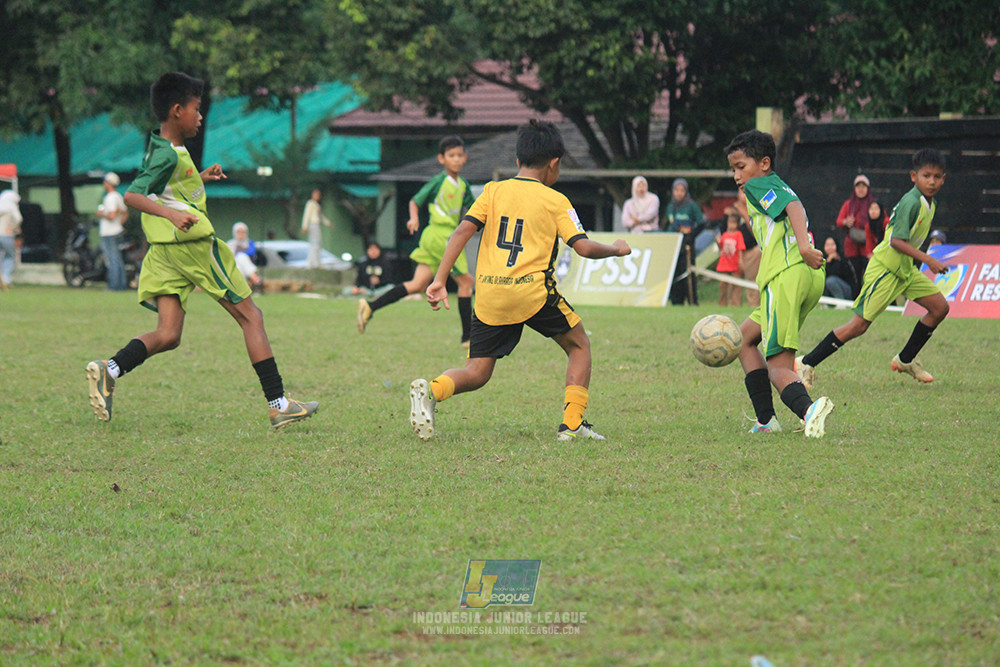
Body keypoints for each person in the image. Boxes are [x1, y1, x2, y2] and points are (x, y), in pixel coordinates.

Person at [85, 71, 318, 429]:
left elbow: (169, 183)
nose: (201, 116)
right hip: (192, 247)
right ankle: (279, 404)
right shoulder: (167, 155)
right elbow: (134, 195)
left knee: (168, 334)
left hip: (163, 254)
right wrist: (172, 214)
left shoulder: (168, 149)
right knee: (251, 317)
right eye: (196, 108)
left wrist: (200, 177)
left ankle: (109, 369)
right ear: (177, 110)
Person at [408, 120, 631, 441]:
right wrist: (615, 248)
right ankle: (571, 425)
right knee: (579, 345)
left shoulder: (492, 190)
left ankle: (431, 390)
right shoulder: (556, 200)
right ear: (554, 164)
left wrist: (440, 279)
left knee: (477, 372)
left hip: (490, 295)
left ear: (517, 161)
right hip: (532, 293)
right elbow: (582, 247)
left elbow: (462, 231)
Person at [797, 149, 950, 387]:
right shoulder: (911, 202)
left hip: (905, 270)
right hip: (886, 270)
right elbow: (895, 241)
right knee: (859, 326)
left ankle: (905, 359)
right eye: (926, 175)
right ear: (913, 176)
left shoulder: (930, 203)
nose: (931, 181)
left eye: (937, 176)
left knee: (940, 308)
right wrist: (928, 259)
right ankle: (806, 362)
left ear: (944, 179)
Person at [725, 129, 833, 438]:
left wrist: (802, 246)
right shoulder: (771, 184)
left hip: (785, 276)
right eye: (733, 169)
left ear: (764, 163)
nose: (736, 175)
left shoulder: (758, 185)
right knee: (743, 339)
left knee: (778, 367)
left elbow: (792, 207)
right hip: (805, 275)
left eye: (740, 166)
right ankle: (766, 420)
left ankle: (809, 410)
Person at [357, 135, 476, 346]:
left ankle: (370, 306)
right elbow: (415, 200)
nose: (456, 159)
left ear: (465, 158)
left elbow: (475, 209)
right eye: (451, 156)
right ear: (441, 159)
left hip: (439, 237)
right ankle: (468, 338)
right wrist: (413, 218)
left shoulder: (464, 185)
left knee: (418, 284)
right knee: (466, 282)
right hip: (442, 237)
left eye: (459, 155)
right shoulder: (439, 181)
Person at [665, 178, 704, 305]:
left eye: (682, 190)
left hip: (686, 245)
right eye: (676, 190)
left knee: (687, 272)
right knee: (674, 273)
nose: (679, 193)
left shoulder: (692, 206)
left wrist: (691, 236)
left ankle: (692, 301)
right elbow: (668, 224)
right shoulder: (671, 207)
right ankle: (676, 301)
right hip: (673, 245)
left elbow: (701, 223)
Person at [836, 174, 875, 281]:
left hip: (868, 248)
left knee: (867, 275)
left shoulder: (873, 204)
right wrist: (846, 221)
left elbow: (883, 221)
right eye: (858, 187)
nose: (861, 189)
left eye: (863, 187)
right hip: (851, 247)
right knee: (854, 277)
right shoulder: (849, 204)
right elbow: (839, 221)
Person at [97, 172, 129, 291]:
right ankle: (122, 284)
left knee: (112, 259)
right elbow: (125, 212)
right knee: (118, 259)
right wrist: (119, 225)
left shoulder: (110, 197)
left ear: (108, 183)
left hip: (109, 233)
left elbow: (111, 215)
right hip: (116, 231)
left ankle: (114, 286)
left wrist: (101, 213)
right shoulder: (118, 196)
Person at [715, 209, 746, 306]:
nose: (731, 225)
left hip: (734, 263)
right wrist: (717, 241)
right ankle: (722, 303)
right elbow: (721, 247)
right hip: (724, 263)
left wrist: (741, 260)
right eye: (729, 223)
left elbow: (740, 248)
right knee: (723, 285)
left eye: (733, 223)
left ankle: (735, 303)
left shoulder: (738, 235)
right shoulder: (724, 235)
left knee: (735, 285)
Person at [301, 188, 332, 269]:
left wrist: (329, 224)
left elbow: (321, 217)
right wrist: (304, 226)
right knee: (314, 244)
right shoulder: (310, 203)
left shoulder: (317, 205)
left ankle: (316, 263)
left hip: (317, 225)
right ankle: (312, 263)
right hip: (313, 225)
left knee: (317, 244)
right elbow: (306, 215)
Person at [228, 221, 262, 288]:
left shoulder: (250, 243)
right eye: (238, 232)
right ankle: (253, 277)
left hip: (249, 263)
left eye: (243, 232)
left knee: (241, 257)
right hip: (234, 267)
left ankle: (245, 283)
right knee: (238, 261)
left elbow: (252, 252)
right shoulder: (230, 244)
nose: (241, 234)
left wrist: (240, 254)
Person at [821, 236, 857, 301]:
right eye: (827, 245)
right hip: (830, 290)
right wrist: (828, 262)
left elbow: (839, 275)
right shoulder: (823, 260)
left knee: (831, 281)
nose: (830, 247)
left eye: (832, 245)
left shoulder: (842, 259)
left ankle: (840, 303)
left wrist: (836, 260)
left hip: (846, 290)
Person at [0, 189, 22, 291]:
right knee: (10, 256)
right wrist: (13, 227)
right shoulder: (12, 207)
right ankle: (5, 278)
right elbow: (18, 219)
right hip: (7, 235)